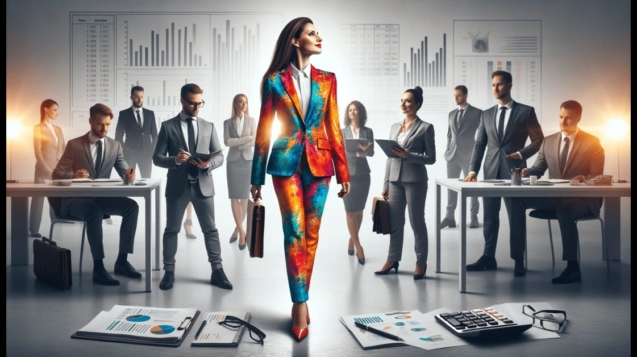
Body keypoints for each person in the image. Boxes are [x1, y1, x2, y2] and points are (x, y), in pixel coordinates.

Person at [250, 17, 350, 342]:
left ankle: (300, 297)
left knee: (311, 234)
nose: (318, 37)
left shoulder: (328, 79)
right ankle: (300, 304)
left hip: (321, 165)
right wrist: (256, 175)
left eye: (317, 32)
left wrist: (343, 172)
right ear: (295, 40)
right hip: (285, 163)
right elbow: (265, 128)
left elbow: (334, 126)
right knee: (293, 231)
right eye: (311, 33)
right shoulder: (274, 80)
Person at [510, 100, 604, 284]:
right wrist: (525, 171)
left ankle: (572, 267)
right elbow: (538, 168)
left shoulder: (593, 142)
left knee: (565, 211)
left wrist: (582, 178)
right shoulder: (549, 141)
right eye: (561, 117)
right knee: (516, 200)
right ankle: (518, 260)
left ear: (579, 118)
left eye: (568, 118)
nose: (563, 122)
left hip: (584, 199)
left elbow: (596, 175)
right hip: (556, 197)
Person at [463, 70, 544, 277]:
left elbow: (538, 139)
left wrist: (521, 153)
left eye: (499, 84)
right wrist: (473, 169)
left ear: (509, 85)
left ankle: (518, 260)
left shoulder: (525, 112)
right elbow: (480, 144)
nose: (496, 89)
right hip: (489, 172)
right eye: (493, 85)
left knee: (516, 218)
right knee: (489, 217)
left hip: (514, 173)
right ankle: (488, 257)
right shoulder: (486, 114)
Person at [152, 83, 230, 291]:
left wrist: (209, 164)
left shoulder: (208, 126)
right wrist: (175, 160)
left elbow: (220, 155)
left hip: (203, 185)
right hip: (178, 187)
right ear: (182, 101)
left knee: (210, 230)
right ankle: (169, 272)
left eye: (200, 103)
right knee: (171, 230)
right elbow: (157, 158)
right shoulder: (168, 126)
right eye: (192, 103)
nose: (196, 107)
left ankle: (217, 271)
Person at [52, 103, 139, 286]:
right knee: (94, 212)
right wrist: (73, 175)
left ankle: (121, 262)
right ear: (91, 121)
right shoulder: (74, 145)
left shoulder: (115, 146)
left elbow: (125, 172)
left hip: (101, 199)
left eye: (107, 124)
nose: (104, 129)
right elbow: (57, 173)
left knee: (132, 206)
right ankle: (98, 268)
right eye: (100, 124)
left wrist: (129, 176)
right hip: (75, 200)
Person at [375, 86, 436, 281]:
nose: (404, 104)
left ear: (417, 104)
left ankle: (421, 262)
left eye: (408, 101)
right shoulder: (394, 127)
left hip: (415, 180)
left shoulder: (426, 127)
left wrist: (409, 155)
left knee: (417, 222)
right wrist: (385, 184)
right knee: (395, 222)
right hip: (394, 180)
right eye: (402, 100)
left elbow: (431, 158)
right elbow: (389, 157)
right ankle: (392, 259)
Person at [441, 85, 481, 229]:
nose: (456, 98)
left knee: (472, 188)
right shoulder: (451, 114)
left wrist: (476, 154)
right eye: (454, 95)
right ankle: (449, 217)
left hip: (468, 156)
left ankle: (473, 217)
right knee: (450, 188)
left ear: (465, 95)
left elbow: (482, 136)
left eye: (458, 95)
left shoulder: (477, 113)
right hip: (452, 156)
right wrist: (447, 150)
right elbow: (449, 135)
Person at [341, 100, 373, 265]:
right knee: (350, 211)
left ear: (360, 112)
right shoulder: (342, 131)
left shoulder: (368, 131)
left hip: (363, 174)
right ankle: (359, 246)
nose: (352, 112)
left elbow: (372, 152)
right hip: (347, 175)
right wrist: (353, 153)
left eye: (355, 110)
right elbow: (338, 153)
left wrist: (365, 152)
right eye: (350, 110)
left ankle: (352, 239)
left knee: (359, 210)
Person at [223, 94, 256, 249]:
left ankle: (238, 230)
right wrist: (246, 139)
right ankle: (243, 233)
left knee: (244, 197)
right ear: (235, 104)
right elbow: (227, 142)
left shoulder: (252, 121)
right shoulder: (227, 122)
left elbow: (255, 140)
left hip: (248, 162)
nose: (244, 104)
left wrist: (240, 142)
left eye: (246, 102)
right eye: (241, 102)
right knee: (234, 196)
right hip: (233, 163)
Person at [29, 99, 65, 238]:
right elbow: (38, 152)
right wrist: (46, 168)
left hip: (57, 169)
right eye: (54, 110)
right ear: (45, 109)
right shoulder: (38, 128)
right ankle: (34, 229)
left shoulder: (58, 129)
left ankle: (56, 220)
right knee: (38, 198)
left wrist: (62, 168)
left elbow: (62, 149)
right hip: (43, 169)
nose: (57, 113)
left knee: (56, 197)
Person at [114, 86, 157, 179]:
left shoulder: (150, 114)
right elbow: (118, 137)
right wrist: (125, 151)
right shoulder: (124, 114)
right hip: (130, 154)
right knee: (129, 179)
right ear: (131, 97)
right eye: (137, 96)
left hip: (146, 154)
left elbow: (155, 135)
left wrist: (152, 151)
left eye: (142, 96)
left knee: (147, 180)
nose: (139, 99)